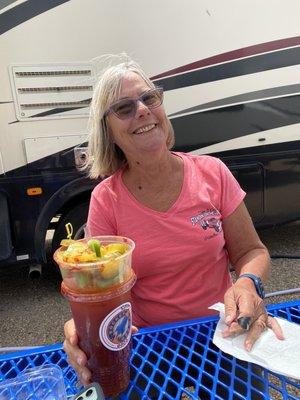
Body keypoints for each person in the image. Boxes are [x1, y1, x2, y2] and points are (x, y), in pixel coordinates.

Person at [63, 55, 284, 392]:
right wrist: (83, 329)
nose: (142, 110)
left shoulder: (213, 173)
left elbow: (252, 250)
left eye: (149, 98)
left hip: (223, 330)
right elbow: (98, 293)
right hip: (148, 343)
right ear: (108, 131)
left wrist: (248, 283)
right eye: (124, 107)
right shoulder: (106, 200)